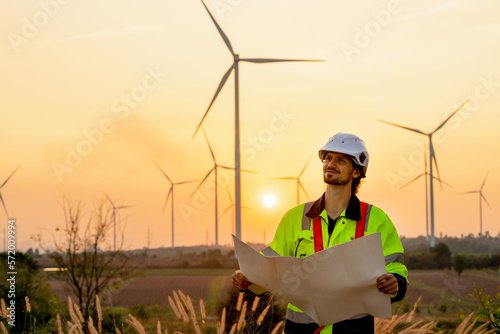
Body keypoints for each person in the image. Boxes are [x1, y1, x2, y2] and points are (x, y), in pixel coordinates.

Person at [232, 133, 408, 334]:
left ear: (357, 172)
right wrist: (246, 278)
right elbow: (270, 263)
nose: (330, 164)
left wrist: (394, 282)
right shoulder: (295, 217)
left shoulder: (376, 220)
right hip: (301, 329)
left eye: (341, 160)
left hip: (353, 329)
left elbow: (395, 266)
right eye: (328, 158)